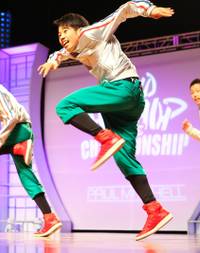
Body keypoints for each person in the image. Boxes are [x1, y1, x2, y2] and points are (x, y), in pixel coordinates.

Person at [37, 1, 174, 241]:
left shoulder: (93, 31)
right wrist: (53, 60)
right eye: (58, 34)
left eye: (65, 32)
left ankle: (104, 137)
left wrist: (150, 10)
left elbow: (126, 9)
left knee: (65, 105)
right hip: (126, 104)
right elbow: (60, 52)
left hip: (122, 88)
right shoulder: (72, 48)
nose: (61, 37)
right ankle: (155, 209)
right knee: (124, 159)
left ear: (78, 29)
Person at [0, 66, 62, 237]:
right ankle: (50, 217)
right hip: (20, 134)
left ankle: (18, 147)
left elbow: (12, 117)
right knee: (27, 178)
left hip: (20, 130)